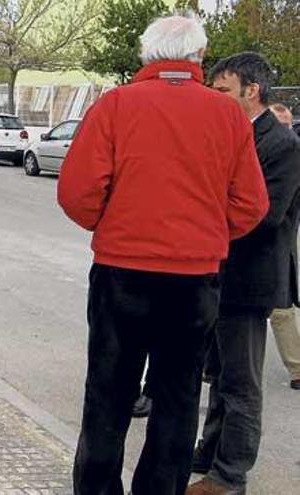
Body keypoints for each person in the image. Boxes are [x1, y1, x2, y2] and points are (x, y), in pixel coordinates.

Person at [57, 16, 269, 495]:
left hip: (122, 272)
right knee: (177, 396)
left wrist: (112, 225)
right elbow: (251, 203)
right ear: (198, 56)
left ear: (146, 54)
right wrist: (208, 234)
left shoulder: (115, 106)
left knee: (108, 393)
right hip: (194, 279)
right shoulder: (229, 115)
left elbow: (77, 192)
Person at [188, 53, 300, 495]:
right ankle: (211, 450)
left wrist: (202, 215)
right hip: (220, 273)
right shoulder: (234, 134)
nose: (216, 100)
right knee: (220, 375)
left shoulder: (282, 145)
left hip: (250, 279)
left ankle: (230, 474)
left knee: (241, 383)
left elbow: (265, 216)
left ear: (250, 92)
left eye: (223, 92)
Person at [267, 103, 300, 391]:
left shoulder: (292, 153)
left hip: (282, 241)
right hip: (270, 240)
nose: (285, 132)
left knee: (281, 309)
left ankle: (297, 369)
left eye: (288, 126)